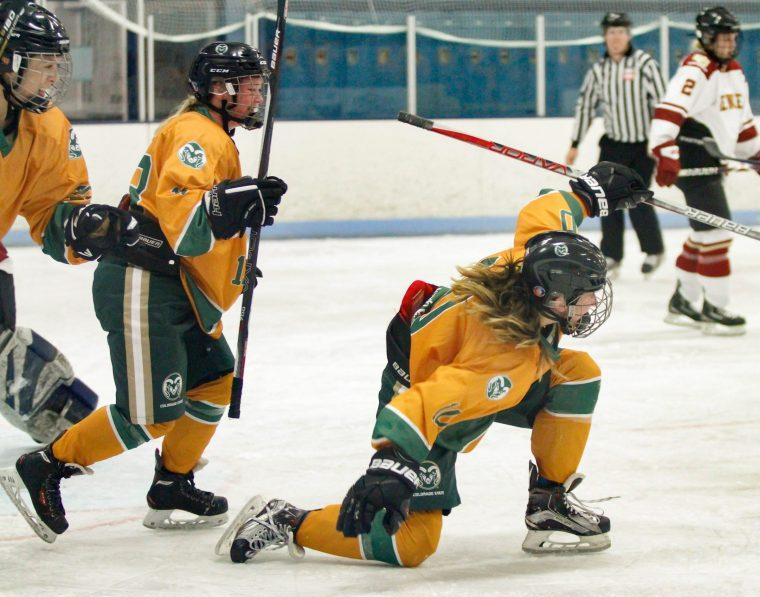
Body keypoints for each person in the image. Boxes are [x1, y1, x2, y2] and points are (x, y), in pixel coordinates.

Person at [217, 162, 652, 567]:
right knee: (413, 545)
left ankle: (549, 503)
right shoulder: (503, 363)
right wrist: (392, 462)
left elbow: (546, 209)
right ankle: (285, 518)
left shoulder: (531, 257)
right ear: (549, 295)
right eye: (584, 294)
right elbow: (430, 399)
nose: (593, 302)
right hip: (422, 392)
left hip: (449, 364)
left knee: (577, 371)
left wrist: (589, 195)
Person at [0, 40, 288, 543]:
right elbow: (183, 222)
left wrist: (235, 261)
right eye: (249, 86)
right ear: (220, 91)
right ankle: (44, 466)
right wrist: (226, 206)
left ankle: (172, 484)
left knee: (215, 380)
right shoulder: (195, 135)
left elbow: (204, 234)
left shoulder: (217, 134)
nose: (256, 94)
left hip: (176, 288)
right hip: (143, 282)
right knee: (150, 415)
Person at [0, 1, 138, 443]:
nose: (54, 77)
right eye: (43, 65)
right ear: (9, 61)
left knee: (3, 350)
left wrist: (80, 226)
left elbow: (50, 207)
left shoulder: (47, 127)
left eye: (56, 65)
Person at [648, 6, 760, 335]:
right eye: (719, 38)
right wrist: (665, 152)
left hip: (711, 163)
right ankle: (716, 306)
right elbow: (669, 111)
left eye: (731, 38)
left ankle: (683, 299)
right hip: (693, 159)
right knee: (718, 234)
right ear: (704, 38)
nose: (726, 44)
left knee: (703, 235)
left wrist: (759, 157)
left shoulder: (735, 72)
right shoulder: (696, 69)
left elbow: (741, 122)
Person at [567, 11, 666, 278]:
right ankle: (611, 255)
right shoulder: (599, 70)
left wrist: (661, 142)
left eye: (620, 31)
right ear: (604, 36)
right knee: (606, 198)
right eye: (611, 32)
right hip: (613, 146)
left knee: (638, 198)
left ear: (628, 35)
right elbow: (586, 105)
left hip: (642, 146)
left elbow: (661, 103)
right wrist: (575, 142)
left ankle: (653, 250)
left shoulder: (645, 64)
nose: (615, 37)